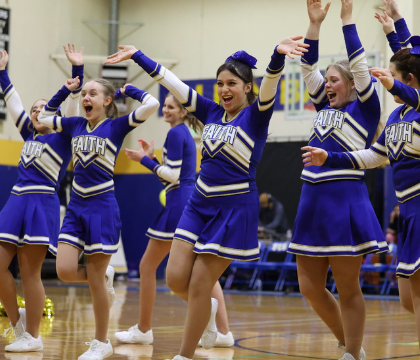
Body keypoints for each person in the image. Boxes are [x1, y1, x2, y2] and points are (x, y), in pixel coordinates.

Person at [300, 8, 420, 358]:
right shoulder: (396, 115)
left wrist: (395, 84)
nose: (385, 81)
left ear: (408, 78)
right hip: (411, 208)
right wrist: (326, 158)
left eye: (392, 76)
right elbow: (375, 156)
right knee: (410, 297)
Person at [106, 32, 304, 359]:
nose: (225, 89)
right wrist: (138, 55)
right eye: (220, 83)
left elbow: (270, 84)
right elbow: (173, 85)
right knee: (173, 279)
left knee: (199, 284)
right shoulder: (210, 111)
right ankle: (208, 311)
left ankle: (184, 354)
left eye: (232, 83)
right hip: (197, 204)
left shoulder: (256, 116)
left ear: (246, 88)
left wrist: (277, 57)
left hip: (233, 207)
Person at [40, 44, 162, 360]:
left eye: (93, 94)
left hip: (102, 206)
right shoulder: (74, 125)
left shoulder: (116, 125)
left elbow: (152, 104)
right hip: (76, 206)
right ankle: (102, 279)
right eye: (85, 94)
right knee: (65, 270)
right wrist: (70, 86)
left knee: (94, 279)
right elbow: (42, 117)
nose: (86, 98)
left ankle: (101, 341)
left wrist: (131, 91)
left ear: (107, 101)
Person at [289, 1, 389, 358]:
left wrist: (347, 21)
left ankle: (352, 351)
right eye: (326, 80)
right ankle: (351, 343)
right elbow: (306, 66)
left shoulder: (365, 108)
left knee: (348, 287)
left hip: (345, 200)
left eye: (334, 80)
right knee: (309, 286)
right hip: (311, 199)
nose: (327, 84)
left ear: (350, 84)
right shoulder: (324, 106)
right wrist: (314, 23)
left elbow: (361, 69)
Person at [117, 52, 235, 348]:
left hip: (179, 206)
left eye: (171, 107)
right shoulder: (183, 134)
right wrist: (152, 158)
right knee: (205, 273)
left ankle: (145, 329)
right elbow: (174, 176)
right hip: (184, 199)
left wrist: (146, 161)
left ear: (183, 111)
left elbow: (174, 176)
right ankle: (224, 331)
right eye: (165, 106)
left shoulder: (175, 134)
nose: (166, 110)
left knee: (146, 266)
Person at [0, 48, 79, 352]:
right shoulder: (29, 135)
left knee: (29, 273)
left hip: (41, 203)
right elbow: (14, 101)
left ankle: (34, 337)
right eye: (35, 109)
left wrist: (76, 70)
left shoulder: (63, 138)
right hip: (16, 201)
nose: (37, 112)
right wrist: (1, 71)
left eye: (44, 109)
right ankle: (18, 323)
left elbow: (75, 103)